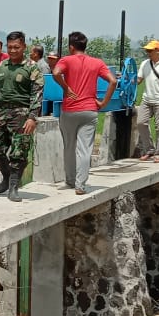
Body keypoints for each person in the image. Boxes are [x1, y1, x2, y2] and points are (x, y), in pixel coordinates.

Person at [52, 31, 117, 195]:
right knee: (85, 149)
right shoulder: (97, 63)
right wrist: (104, 102)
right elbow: (113, 81)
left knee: (69, 146)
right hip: (89, 110)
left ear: (71, 47)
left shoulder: (66, 60)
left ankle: (70, 180)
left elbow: (56, 73)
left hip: (69, 110)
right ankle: (80, 185)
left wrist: (66, 88)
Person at [0, 31, 43, 202]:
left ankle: (13, 186)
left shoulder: (32, 67)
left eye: (16, 47)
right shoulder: (2, 66)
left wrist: (32, 117)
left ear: (24, 47)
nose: (13, 50)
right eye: (10, 47)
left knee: (19, 152)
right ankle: (7, 174)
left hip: (21, 113)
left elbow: (37, 94)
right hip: (1, 112)